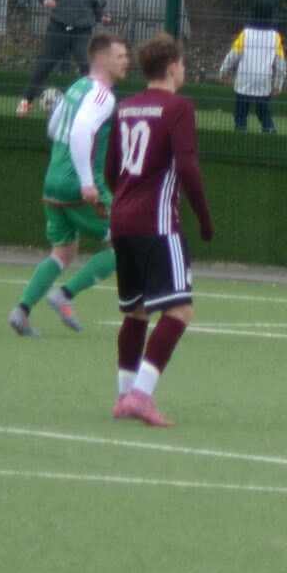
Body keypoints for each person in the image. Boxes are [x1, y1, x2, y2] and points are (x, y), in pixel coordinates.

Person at [107, 34, 213, 427]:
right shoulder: (179, 107)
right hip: (158, 223)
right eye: (183, 65)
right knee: (180, 310)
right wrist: (204, 218)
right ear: (172, 68)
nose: (184, 71)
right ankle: (141, 396)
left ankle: (123, 395)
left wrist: (121, 204)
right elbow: (186, 166)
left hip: (122, 220)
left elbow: (112, 168)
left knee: (136, 312)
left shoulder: (126, 107)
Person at [9, 34, 126, 336]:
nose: (127, 61)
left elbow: (53, 127)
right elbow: (80, 132)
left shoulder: (76, 87)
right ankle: (65, 294)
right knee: (124, 244)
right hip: (78, 185)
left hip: (53, 179)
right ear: (101, 59)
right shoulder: (102, 95)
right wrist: (87, 182)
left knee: (63, 250)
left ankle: (22, 311)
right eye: (120, 56)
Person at [16, 0, 113, 115]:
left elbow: (98, 8)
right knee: (44, 66)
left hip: (82, 32)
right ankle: (26, 101)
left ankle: (94, 108)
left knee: (88, 69)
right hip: (58, 27)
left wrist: (102, 17)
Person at [216, 2, 287, 134]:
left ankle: (241, 134)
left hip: (244, 79)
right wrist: (278, 83)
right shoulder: (275, 36)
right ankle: (269, 133)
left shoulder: (246, 34)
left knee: (241, 114)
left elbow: (232, 55)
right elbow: (280, 62)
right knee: (264, 113)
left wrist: (223, 73)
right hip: (263, 80)